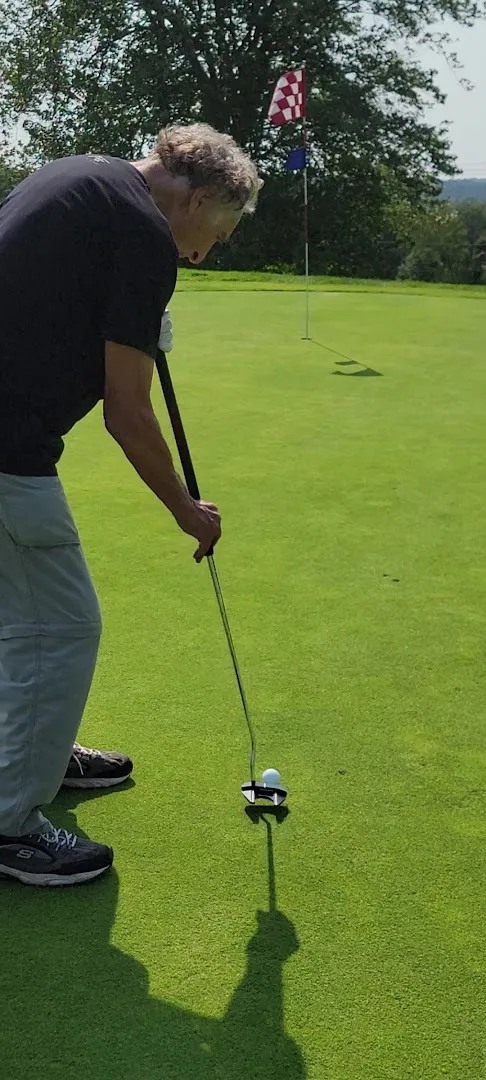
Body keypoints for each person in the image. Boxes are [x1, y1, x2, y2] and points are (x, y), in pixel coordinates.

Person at [0, 123, 262, 886]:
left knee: (21, 619)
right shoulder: (146, 234)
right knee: (61, 625)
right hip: (6, 445)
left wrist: (134, 318)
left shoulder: (82, 172)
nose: (200, 255)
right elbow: (128, 412)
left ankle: (36, 752)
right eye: (214, 236)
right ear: (199, 199)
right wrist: (185, 508)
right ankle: (9, 822)